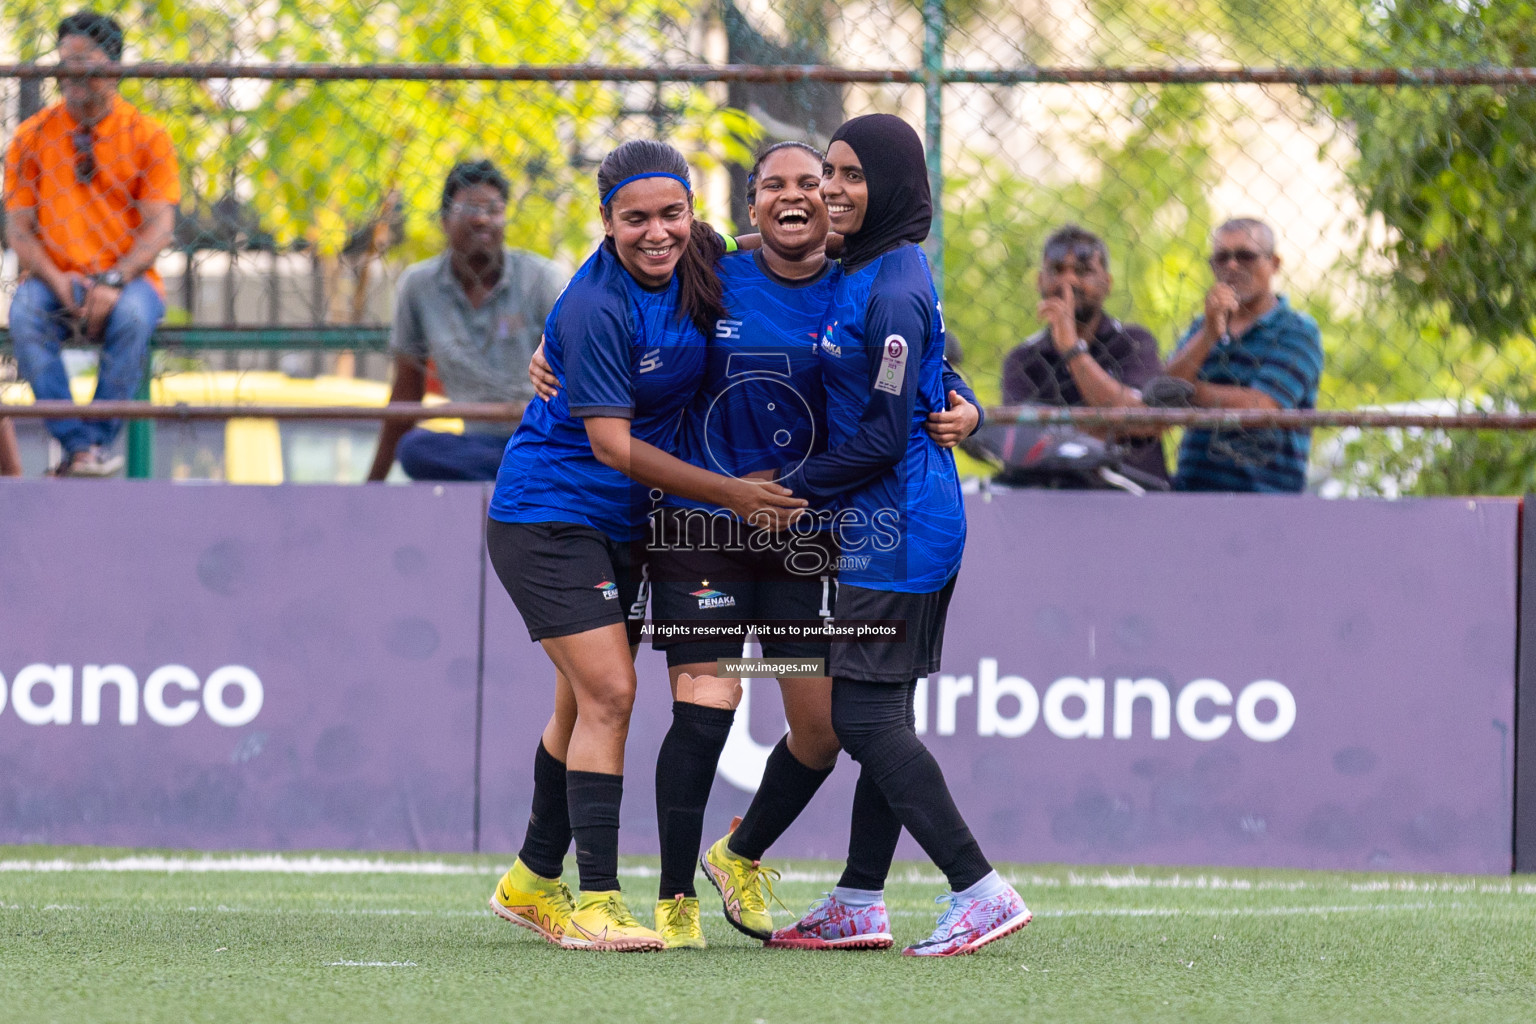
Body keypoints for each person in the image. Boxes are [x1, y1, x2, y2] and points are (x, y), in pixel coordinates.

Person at [527, 141, 984, 950]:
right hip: (701, 529)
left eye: (814, 182)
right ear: (749, 206)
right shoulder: (712, 264)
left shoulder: (861, 275)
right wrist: (549, 346)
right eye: (775, 185)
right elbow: (616, 276)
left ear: (835, 206)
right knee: (711, 700)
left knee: (823, 728)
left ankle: (736, 856)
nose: (797, 196)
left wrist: (967, 403)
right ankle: (675, 900)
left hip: (802, 534)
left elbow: (922, 356)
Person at [482, 139, 806, 953]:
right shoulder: (595, 305)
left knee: (578, 705)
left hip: (629, 527)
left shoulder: (705, 252)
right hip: (549, 516)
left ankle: (529, 880)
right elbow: (612, 448)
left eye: (671, 213)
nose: (656, 233)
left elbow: (798, 250)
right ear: (606, 221)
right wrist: (733, 492)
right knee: (612, 696)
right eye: (635, 219)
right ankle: (595, 901)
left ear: (692, 212)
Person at [725, 114, 1031, 957]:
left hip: (899, 529)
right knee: (880, 712)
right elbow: (925, 373)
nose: (831, 188)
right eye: (830, 171)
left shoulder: (891, 283)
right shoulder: (868, 269)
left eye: (853, 175)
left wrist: (784, 492)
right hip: (879, 523)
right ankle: (860, 899)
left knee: (861, 718)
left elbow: (887, 434)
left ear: (894, 185)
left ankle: (979, 887)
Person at [3, 10, 178, 477]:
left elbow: (159, 228)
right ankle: (80, 446)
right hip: (54, 275)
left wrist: (114, 279)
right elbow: (18, 229)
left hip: (128, 276)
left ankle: (90, 447)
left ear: (114, 68)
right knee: (24, 314)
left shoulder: (147, 136)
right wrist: (57, 279)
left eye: (84, 60)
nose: (70, 73)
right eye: (63, 61)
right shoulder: (32, 136)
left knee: (134, 316)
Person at [365, 161, 564, 482]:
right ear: (444, 220)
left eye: (494, 209)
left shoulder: (542, 280)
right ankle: (522, 477)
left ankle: (532, 472)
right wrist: (372, 485)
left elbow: (578, 371)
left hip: (543, 436)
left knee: (562, 456)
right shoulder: (419, 287)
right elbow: (406, 391)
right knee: (416, 449)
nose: (482, 218)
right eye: (469, 208)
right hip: (479, 445)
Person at [1164, 218, 1324, 492]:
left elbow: (1262, 408)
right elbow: (1163, 395)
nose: (1232, 266)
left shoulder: (1297, 331)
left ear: (1274, 263)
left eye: (1246, 256)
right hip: (1193, 496)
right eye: (1221, 258)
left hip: (1266, 502)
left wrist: (1189, 393)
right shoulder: (1200, 329)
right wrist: (1209, 335)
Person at [1001, 225, 1167, 483]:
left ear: (1108, 283)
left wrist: (1072, 350)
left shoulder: (1134, 343)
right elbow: (1020, 445)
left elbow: (1140, 422)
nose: (1069, 281)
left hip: (1134, 497)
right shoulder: (1023, 360)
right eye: (1056, 270)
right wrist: (1110, 423)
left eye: (1083, 271)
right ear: (1039, 281)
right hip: (1048, 501)